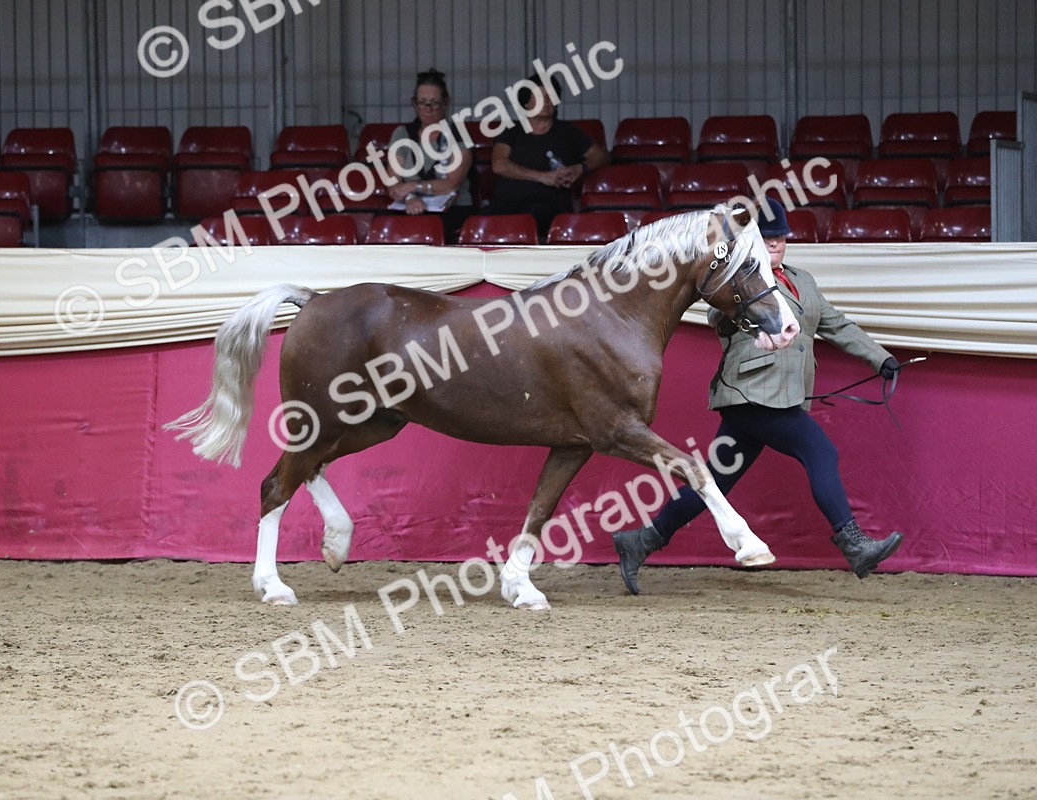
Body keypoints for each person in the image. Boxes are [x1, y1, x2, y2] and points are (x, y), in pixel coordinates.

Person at [612, 197, 904, 593]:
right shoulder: (740, 279)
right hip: (750, 392)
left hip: (779, 396)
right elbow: (720, 315)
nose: (775, 245)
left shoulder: (803, 281)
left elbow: (837, 325)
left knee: (714, 483)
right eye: (767, 239)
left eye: (780, 238)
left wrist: (881, 360)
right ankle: (853, 544)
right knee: (820, 451)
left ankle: (641, 541)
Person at [489, 74, 608, 239]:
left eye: (550, 96)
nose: (546, 100)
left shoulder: (567, 132)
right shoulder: (512, 132)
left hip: (549, 205)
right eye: (539, 96)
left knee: (531, 219)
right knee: (484, 220)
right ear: (526, 103)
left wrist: (580, 168)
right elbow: (499, 164)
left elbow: (600, 156)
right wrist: (543, 177)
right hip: (506, 203)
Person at [385, 69, 475, 243]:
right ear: (414, 104)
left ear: (445, 103)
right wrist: (410, 198)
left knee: (432, 230)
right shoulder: (402, 134)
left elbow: (451, 184)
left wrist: (412, 186)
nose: (428, 109)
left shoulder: (458, 134)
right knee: (385, 225)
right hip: (410, 207)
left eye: (434, 103)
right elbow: (393, 183)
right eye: (422, 103)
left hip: (453, 209)